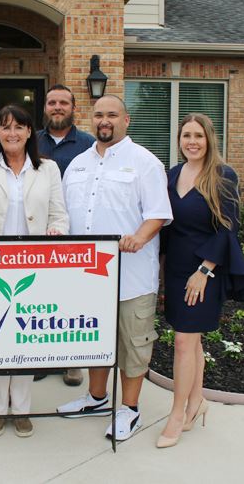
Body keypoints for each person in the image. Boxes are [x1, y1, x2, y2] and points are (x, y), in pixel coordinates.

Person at [57, 94, 172, 442]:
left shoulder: (145, 162)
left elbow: (158, 213)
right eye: (98, 115)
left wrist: (139, 236)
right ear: (90, 120)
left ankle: (130, 409)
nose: (104, 121)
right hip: (88, 277)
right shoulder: (77, 164)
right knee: (95, 337)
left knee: (132, 344)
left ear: (126, 120)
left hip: (131, 276)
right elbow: (64, 215)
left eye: (111, 115)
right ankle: (95, 398)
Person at [0, 104, 69, 438]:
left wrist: (57, 231)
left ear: (28, 132)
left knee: (23, 335)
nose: (12, 133)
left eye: (19, 127)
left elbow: (59, 215)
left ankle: (21, 408)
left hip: (34, 266)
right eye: (5, 127)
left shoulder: (47, 169)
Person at [156, 113, 244, 448]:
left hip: (204, 270)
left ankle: (177, 413)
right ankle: (197, 401)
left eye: (198, 135)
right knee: (191, 341)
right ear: (179, 139)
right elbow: (165, 225)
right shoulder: (172, 175)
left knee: (183, 342)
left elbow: (228, 227)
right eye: (186, 136)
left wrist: (205, 270)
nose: (192, 142)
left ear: (209, 139)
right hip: (176, 266)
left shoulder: (223, 176)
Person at [36, 83, 95, 387]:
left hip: (76, 233)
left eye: (63, 103)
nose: (57, 107)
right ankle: (42, 359)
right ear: (44, 108)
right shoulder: (31, 142)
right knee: (40, 299)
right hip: (37, 234)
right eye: (51, 103)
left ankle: (73, 362)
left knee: (72, 300)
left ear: (74, 108)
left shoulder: (89, 143)